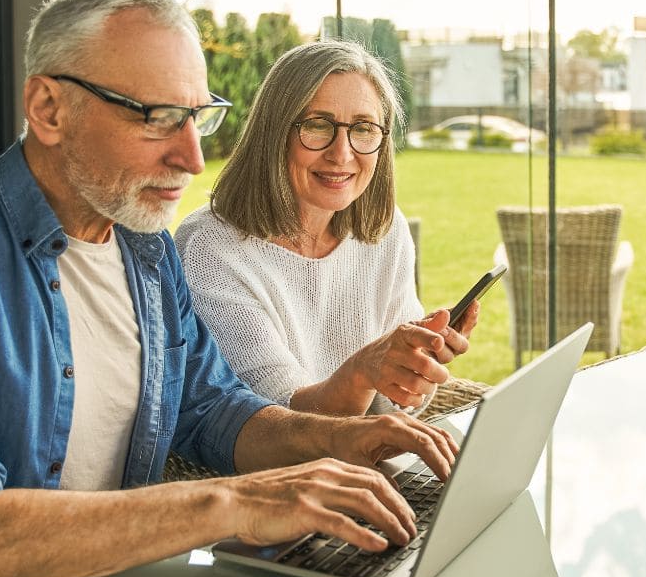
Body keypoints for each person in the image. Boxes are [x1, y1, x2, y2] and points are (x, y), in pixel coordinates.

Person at [0, 0, 457, 577]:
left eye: (197, 117)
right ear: (49, 109)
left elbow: (215, 412)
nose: (192, 157)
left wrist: (343, 440)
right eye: (156, 117)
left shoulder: (145, 251)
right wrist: (236, 502)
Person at [174, 41, 478, 418]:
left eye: (364, 129)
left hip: (366, 461)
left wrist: (412, 365)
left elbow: (390, 411)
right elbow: (280, 423)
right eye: (318, 126)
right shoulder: (211, 248)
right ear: (273, 134)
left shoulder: (385, 232)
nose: (342, 154)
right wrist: (366, 371)